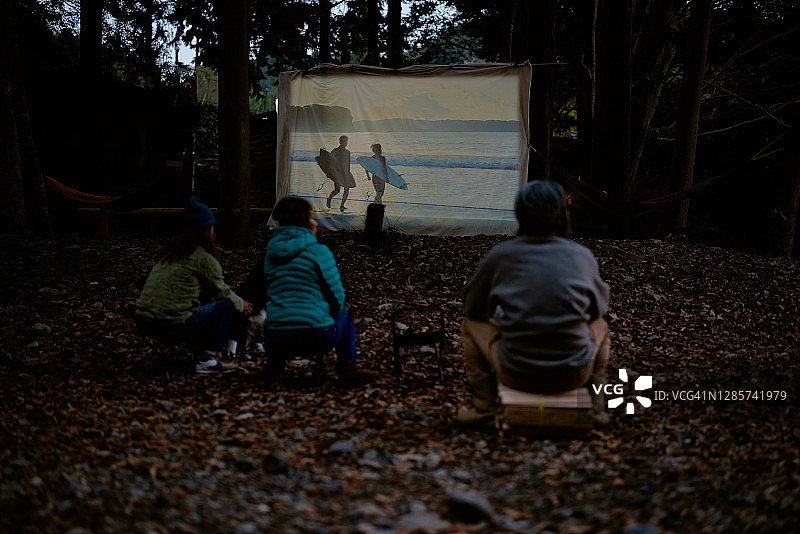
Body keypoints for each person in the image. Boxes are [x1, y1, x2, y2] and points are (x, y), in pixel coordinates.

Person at [456, 180, 611, 428]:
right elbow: (598, 310)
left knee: (470, 324)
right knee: (600, 325)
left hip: (516, 372)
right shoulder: (581, 256)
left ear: (521, 214)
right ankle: (596, 408)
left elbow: (473, 309)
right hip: (573, 374)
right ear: (562, 214)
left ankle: (484, 411)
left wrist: (506, 319)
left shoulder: (501, 255)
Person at [263, 196, 378, 387]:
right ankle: (348, 370)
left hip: (276, 335)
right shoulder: (318, 252)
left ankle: (274, 370)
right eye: (312, 217)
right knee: (346, 316)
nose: (315, 222)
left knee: (280, 316)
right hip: (314, 335)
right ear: (305, 222)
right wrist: (322, 314)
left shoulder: (271, 253)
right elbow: (336, 298)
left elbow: (269, 290)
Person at [134, 196, 253, 373]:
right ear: (208, 229)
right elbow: (222, 291)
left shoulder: (171, 254)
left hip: (144, 320)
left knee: (206, 303)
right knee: (227, 306)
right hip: (172, 323)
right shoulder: (203, 258)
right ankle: (210, 359)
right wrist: (241, 303)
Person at [328, 135, 356, 212]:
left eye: (347, 141)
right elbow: (331, 162)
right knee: (338, 189)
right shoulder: (337, 151)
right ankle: (330, 200)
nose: (346, 143)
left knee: (344, 189)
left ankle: (341, 205)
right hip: (338, 172)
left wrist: (348, 173)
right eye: (346, 141)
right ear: (341, 142)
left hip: (343, 172)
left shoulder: (346, 152)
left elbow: (347, 163)